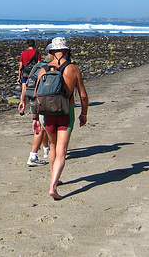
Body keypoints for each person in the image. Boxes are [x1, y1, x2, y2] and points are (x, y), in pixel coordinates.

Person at [32, 37, 88, 200]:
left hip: (47, 113)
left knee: (52, 146)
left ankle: (53, 177)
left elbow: (36, 95)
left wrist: (35, 118)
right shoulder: (73, 69)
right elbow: (83, 95)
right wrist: (83, 113)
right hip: (65, 111)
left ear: (51, 51)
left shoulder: (43, 69)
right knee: (62, 151)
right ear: (66, 51)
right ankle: (53, 186)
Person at [19, 42, 53, 166]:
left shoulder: (38, 64)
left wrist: (23, 100)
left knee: (41, 127)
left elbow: (22, 68)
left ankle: (45, 150)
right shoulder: (51, 65)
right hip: (47, 100)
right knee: (44, 128)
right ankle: (35, 154)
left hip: (35, 98)